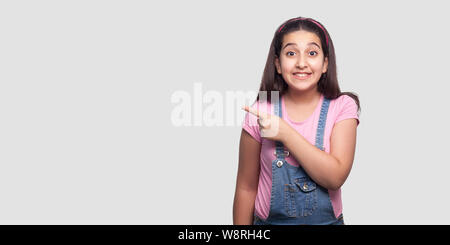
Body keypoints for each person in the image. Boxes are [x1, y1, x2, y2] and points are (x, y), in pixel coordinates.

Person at [233, 16, 361, 225]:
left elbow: (335, 177)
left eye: (312, 53)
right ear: (278, 64)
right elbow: (246, 188)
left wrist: (286, 134)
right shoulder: (260, 112)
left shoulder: (342, 106)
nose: (302, 63)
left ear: (325, 63)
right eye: (291, 53)